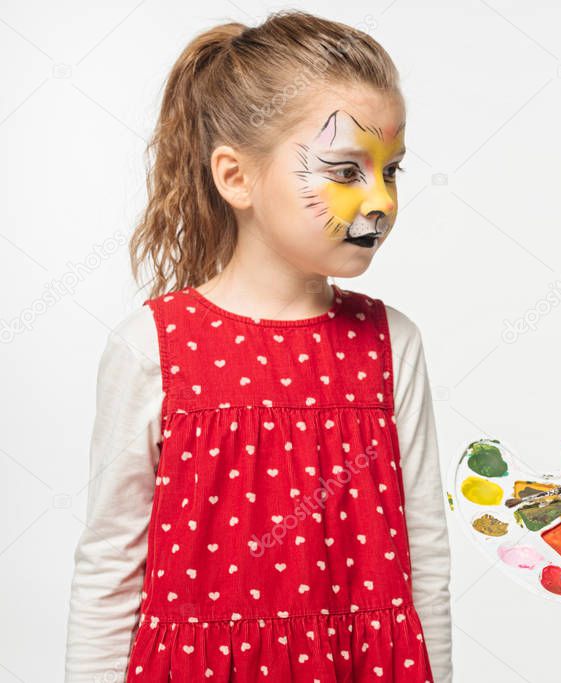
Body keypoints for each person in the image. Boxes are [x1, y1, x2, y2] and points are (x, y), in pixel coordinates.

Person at [64, 11, 451, 682]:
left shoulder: (392, 342)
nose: (381, 199)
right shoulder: (153, 347)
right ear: (236, 177)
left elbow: (426, 555)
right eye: (346, 169)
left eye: (392, 171)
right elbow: (109, 566)